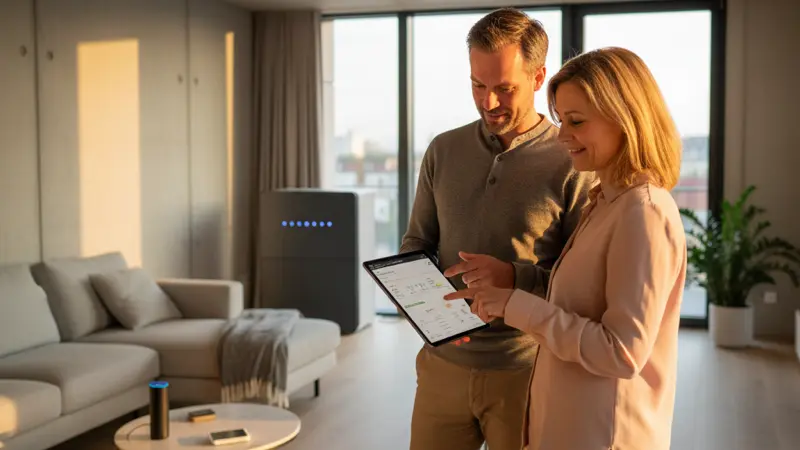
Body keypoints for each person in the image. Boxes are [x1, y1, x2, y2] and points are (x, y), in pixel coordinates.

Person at [444, 46, 688, 450]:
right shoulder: (606, 202)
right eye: (560, 120)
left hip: (604, 435)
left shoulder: (643, 213)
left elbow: (622, 352)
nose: (561, 136)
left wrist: (515, 304)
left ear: (625, 119)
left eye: (576, 121)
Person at [399, 8, 594, 450]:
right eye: (477, 85)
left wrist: (513, 277)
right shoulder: (442, 150)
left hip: (526, 370)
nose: (488, 102)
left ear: (539, 77)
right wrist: (422, 308)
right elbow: (417, 244)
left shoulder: (572, 161)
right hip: (441, 366)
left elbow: (581, 287)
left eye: (504, 89)